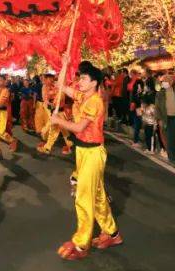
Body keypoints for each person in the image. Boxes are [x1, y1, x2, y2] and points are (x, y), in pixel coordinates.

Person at [50, 63, 122, 260]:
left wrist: (58, 121)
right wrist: (63, 63)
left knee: (83, 197)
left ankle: (81, 243)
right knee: (97, 196)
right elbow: (61, 86)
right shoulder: (84, 96)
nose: (79, 81)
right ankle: (112, 233)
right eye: (79, 78)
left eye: (83, 78)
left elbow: (80, 127)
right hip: (83, 151)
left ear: (94, 82)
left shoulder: (95, 102)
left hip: (92, 153)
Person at [154, 69, 175, 166]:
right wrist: (159, 119)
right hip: (167, 119)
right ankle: (172, 159)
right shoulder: (160, 94)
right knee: (170, 140)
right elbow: (157, 107)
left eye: (166, 81)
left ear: (171, 82)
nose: (164, 83)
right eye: (163, 81)